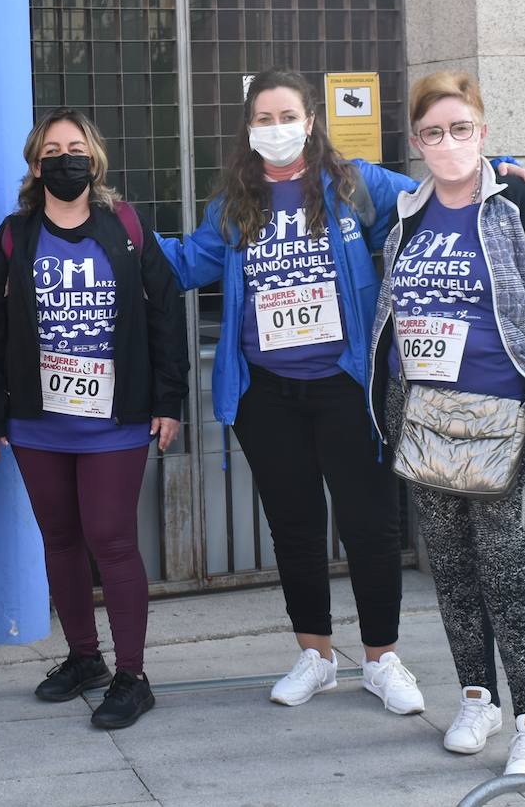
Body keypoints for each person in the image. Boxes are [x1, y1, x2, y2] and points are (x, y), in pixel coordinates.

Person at [156, 69, 428, 716]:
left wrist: (500, 172)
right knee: (295, 528)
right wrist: (118, 237)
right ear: (249, 129)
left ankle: (382, 660)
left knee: (371, 525)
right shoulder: (231, 206)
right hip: (266, 395)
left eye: (287, 116)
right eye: (263, 118)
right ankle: (316, 655)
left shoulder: (355, 185)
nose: (275, 129)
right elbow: (186, 264)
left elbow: (437, 199)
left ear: (311, 121)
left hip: (347, 388)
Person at [369, 71, 525, 775]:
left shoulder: (522, 207)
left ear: (482, 132)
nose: (447, 142)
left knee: (508, 576)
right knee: (449, 572)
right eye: (432, 132)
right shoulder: (408, 213)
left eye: (461, 129)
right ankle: (477, 698)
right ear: (416, 143)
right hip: (424, 417)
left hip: (504, 420)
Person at [0, 109, 188, 730]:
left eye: (76, 147)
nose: (64, 159)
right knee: (60, 539)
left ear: (94, 159)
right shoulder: (15, 236)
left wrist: (167, 400)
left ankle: (133, 675)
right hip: (38, 421)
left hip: (115, 419)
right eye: (51, 150)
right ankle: (84, 658)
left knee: (111, 538)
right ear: (35, 165)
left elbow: (166, 312)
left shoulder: (124, 226)